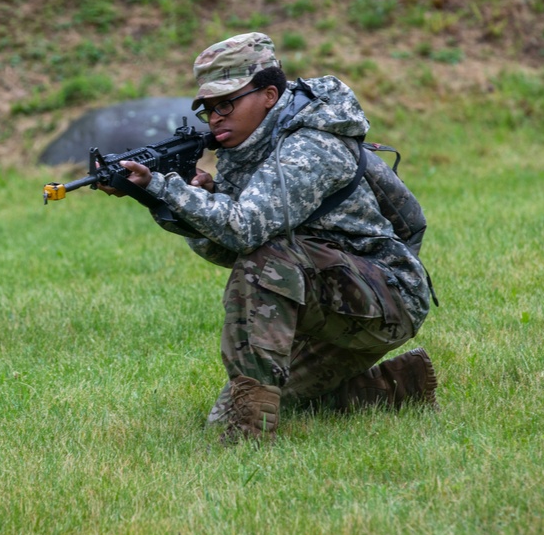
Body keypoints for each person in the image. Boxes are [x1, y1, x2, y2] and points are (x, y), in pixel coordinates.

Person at [104, 32, 436, 441]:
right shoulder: (249, 150)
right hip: (331, 300)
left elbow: (245, 232)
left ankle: (250, 437)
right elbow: (228, 249)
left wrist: (167, 188)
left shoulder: (310, 145)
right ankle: (398, 386)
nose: (216, 118)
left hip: (384, 299)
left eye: (227, 103)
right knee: (227, 414)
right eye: (208, 108)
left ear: (269, 94)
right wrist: (167, 202)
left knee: (265, 266)